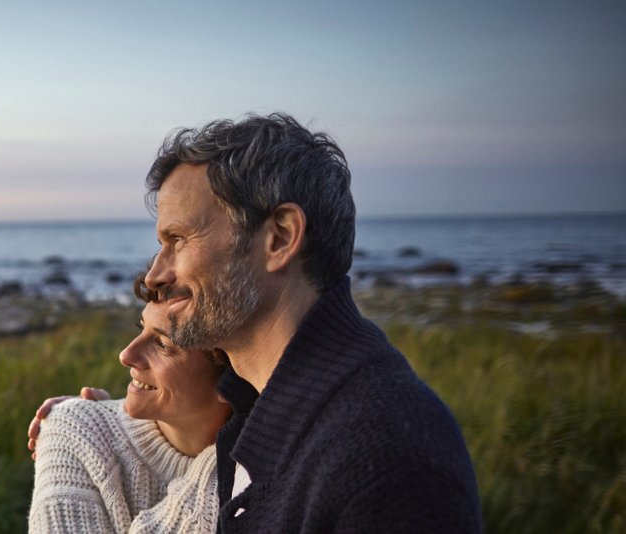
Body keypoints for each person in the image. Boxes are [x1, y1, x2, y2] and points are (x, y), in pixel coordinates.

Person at [29, 112, 482, 532]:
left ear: (280, 238)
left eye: (179, 239)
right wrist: (100, 427)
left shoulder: (386, 457)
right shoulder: (259, 410)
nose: (156, 274)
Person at [29, 276, 229, 533]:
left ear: (232, 379)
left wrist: (223, 461)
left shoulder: (271, 460)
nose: (126, 355)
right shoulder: (79, 433)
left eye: (162, 345)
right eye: (141, 328)